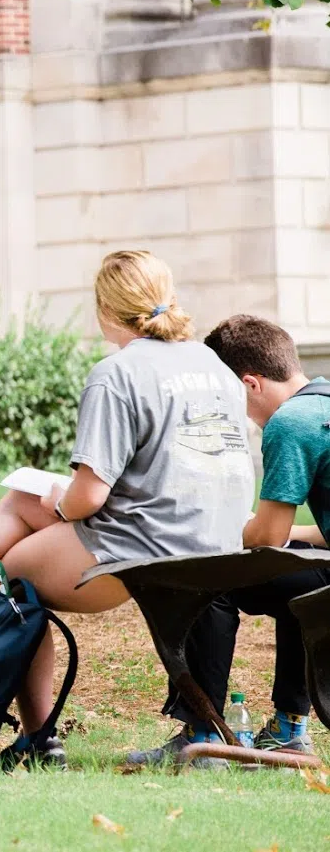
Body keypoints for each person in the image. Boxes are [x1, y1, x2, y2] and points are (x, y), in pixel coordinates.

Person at [0, 250, 256, 767]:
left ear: (106, 308)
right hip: (216, 542)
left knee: (3, 587)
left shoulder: (117, 372)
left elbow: (89, 498)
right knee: (18, 503)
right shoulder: (212, 364)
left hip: (144, 550)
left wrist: (61, 497)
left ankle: (39, 738)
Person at [127, 314, 330, 765]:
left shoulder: (291, 422)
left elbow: (267, 535)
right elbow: (307, 534)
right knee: (300, 577)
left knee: (206, 576)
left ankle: (205, 735)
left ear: (250, 383)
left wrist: (211, 528)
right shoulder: (324, 404)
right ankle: (290, 728)